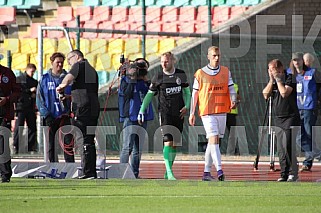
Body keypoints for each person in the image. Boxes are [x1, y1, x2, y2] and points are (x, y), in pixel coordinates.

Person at [138, 52, 191, 180]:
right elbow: (149, 95)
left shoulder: (180, 74)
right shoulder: (158, 77)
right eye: (162, 61)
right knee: (167, 142)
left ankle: (169, 171)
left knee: (174, 144)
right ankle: (169, 172)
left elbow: (187, 92)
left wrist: (187, 106)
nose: (163, 64)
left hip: (179, 114)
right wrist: (141, 110)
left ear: (173, 61)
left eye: (166, 61)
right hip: (165, 114)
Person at [189, 46, 237, 181]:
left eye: (218, 55)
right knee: (214, 138)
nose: (216, 58)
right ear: (208, 57)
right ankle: (220, 170)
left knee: (213, 142)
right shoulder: (200, 73)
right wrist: (192, 113)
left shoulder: (226, 71)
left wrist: (233, 100)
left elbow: (231, 88)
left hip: (222, 110)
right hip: (207, 111)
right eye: (214, 55)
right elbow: (195, 94)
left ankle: (206, 172)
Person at [56, 49, 100, 179]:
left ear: (75, 57)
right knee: (89, 139)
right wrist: (70, 97)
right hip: (93, 108)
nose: (69, 64)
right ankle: (91, 171)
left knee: (82, 138)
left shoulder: (79, 65)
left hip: (82, 109)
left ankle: (87, 171)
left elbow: (68, 78)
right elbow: (86, 91)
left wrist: (61, 86)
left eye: (69, 60)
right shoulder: (92, 70)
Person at [263, 59, 299, 182]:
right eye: (269, 70)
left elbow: (284, 93)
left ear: (280, 69)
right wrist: (271, 80)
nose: (270, 72)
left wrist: (278, 80)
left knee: (288, 144)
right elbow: (265, 94)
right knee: (281, 148)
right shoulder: (272, 81)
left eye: (272, 70)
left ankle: (292, 172)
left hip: (290, 117)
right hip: (278, 117)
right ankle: (284, 173)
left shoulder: (290, 78)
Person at [36, 52, 75, 163]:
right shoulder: (44, 79)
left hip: (65, 117)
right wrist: (46, 115)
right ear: (52, 63)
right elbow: (39, 99)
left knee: (68, 144)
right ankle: (53, 167)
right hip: (50, 117)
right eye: (57, 62)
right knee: (51, 145)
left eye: (62, 63)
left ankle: (70, 167)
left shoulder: (69, 79)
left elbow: (75, 96)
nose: (60, 65)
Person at [118, 58, 154, 178]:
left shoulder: (145, 82)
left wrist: (146, 80)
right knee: (127, 147)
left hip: (143, 117)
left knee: (137, 150)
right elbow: (126, 94)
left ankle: (134, 174)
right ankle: (122, 173)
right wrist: (132, 78)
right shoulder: (125, 80)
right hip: (131, 116)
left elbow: (154, 92)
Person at [290, 52, 321, 172]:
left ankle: (308, 162)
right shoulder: (292, 74)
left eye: (307, 61)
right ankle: (316, 155)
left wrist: (318, 100)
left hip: (309, 108)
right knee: (300, 137)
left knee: (308, 134)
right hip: (297, 108)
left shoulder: (313, 73)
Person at [0, 64, 21, 183]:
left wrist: (6, 100)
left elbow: (17, 92)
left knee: (2, 144)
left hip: (4, 114)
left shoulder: (7, 72)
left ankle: (5, 175)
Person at [13, 63, 38, 154]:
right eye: (31, 71)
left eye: (34, 72)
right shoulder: (19, 79)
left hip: (30, 107)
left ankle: (30, 147)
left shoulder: (34, 81)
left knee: (32, 127)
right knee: (19, 126)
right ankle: (16, 146)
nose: (32, 73)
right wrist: (29, 91)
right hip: (21, 106)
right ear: (27, 70)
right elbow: (18, 91)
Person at [225, 83, 241, 155]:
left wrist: (236, 102)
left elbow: (238, 98)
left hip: (231, 112)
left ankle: (232, 152)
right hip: (221, 112)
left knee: (232, 133)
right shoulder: (219, 84)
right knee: (217, 133)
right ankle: (215, 150)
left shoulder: (235, 86)